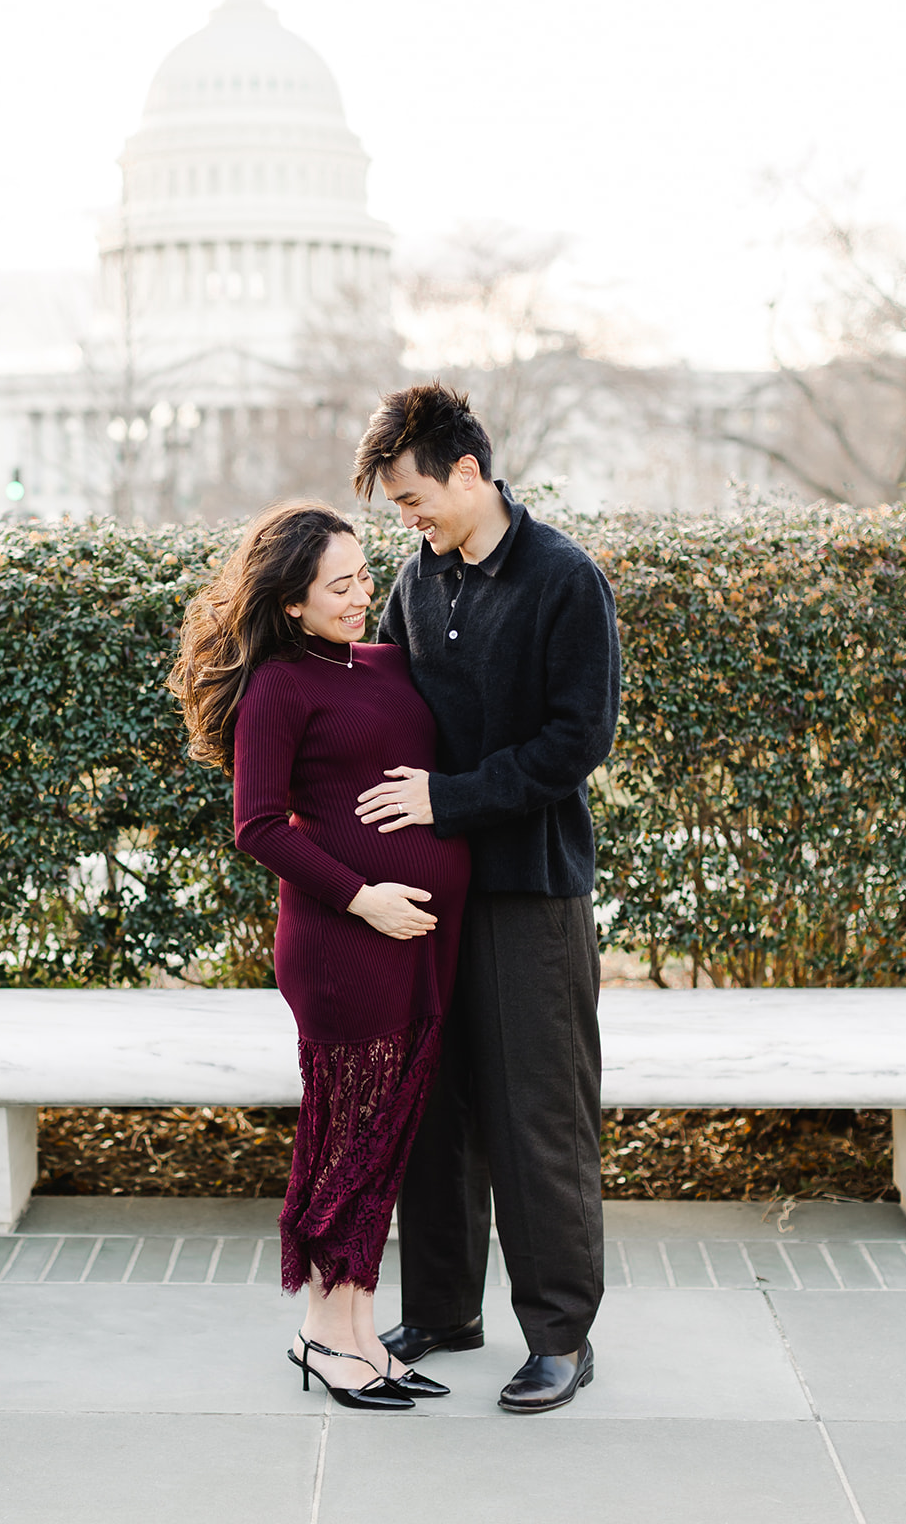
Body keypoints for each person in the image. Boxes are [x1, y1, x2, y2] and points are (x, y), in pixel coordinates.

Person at [351, 384, 620, 1414]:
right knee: (435, 1106)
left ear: (467, 472)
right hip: (430, 893)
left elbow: (574, 739)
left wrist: (449, 797)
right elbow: (384, 701)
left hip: (528, 896)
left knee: (534, 1118)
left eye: (414, 498)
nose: (407, 520)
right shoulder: (418, 580)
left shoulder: (562, 578)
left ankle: (559, 1335)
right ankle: (443, 1309)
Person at [167, 501, 470, 1410]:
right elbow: (257, 827)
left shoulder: (384, 663)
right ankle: (319, 1333)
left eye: (362, 577)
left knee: (384, 1142)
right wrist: (364, 898)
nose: (359, 595)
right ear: (290, 602)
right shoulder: (277, 687)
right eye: (337, 586)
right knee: (347, 1140)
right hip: (343, 943)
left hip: (422, 941)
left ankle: (358, 1332)